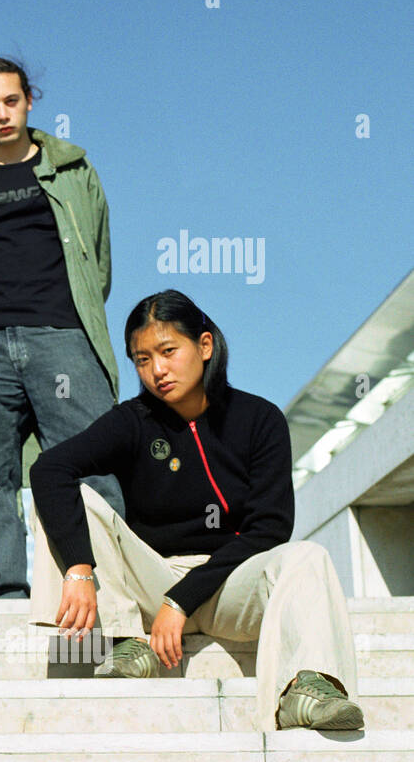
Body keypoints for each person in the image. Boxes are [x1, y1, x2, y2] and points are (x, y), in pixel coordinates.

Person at [29, 290, 364, 732]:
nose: (157, 371)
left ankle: (307, 687)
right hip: (151, 582)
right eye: (142, 359)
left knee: (307, 556)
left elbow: (269, 529)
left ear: (204, 346)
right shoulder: (132, 421)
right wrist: (79, 568)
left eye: (168, 351)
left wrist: (181, 600)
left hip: (229, 586)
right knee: (76, 500)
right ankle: (125, 644)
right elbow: (50, 469)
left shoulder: (258, 420)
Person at [0, 56, 122, 598]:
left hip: (62, 334)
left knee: (96, 466)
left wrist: (68, 316)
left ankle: (103, 583)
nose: (2, 114)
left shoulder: (74, 170)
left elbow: (98, 261)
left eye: (10, 101)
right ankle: (7, 597)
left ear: (28, 101)